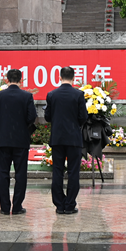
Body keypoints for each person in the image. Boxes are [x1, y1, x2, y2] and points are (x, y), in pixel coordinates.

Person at [0, 68, 37, 215]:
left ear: (7, 80)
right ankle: (17, 206)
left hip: (4, 140)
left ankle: (4, 207)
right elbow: (31, 117)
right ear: (21, 80)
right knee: (20, 173)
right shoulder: (27, 96)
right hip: (21, 140)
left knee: (3, 173)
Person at [44, 66, 89, 215]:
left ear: (59, 77)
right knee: (73, 171)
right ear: (74, 78)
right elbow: (83, 117)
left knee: (57, 170)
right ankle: (70, 205)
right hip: (74, 138)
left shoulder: (52, 94)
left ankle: (59, 204)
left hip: (57, 138)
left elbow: (47, 117)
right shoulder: (78, 94)